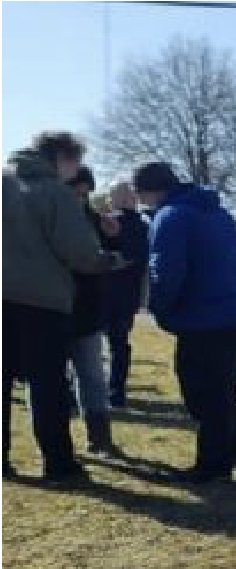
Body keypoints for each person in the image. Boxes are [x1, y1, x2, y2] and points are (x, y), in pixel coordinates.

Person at [134, 162, 236, 483]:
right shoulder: (219, 214)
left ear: (149, 191)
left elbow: (166, 272)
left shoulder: (170, 217)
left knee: (205, 394)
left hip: (205, 319)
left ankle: (214, 465)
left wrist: (161, 311)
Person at [3, 131, 116, 481]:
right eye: (75, 163)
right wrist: (107, 259)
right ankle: (58, 462)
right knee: (48, 384)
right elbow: (79, 252)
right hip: (43, 301)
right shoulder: (56, 193)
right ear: (62, 158)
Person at [66, 166, 124, 457]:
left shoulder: (95, 219)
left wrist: (113, 240)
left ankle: (99, 439)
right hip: (53, 308)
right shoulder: (51, 217)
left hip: (87, 309)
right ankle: (57, 444)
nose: (82, 196)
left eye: (86, 191)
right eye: (77, 189)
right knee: (49, 379)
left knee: (92, 376)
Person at [102, 181, 151, 408]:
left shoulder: (105, 223)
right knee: (119, 345)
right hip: (127, 295)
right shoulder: (143, 227)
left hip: (100, 292)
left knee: (87, 344)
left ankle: (90, 391)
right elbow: (140, 259)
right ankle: (116, 393)